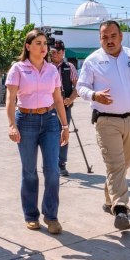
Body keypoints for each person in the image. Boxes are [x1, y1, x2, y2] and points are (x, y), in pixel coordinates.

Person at [77, 20, 130, 231]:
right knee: (115, 164)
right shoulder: (92, 61)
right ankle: (121, 209)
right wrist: (94, 95)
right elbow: (81, 87)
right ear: (100, 39)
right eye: (104, 37)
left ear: (121, 36)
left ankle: (110, 199)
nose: (109, 40)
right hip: (106, 121)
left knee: (123, 164)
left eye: (113, 36)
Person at [6, 29, 70, 235]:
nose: (44, 47)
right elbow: (10, 99)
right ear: (28, 46)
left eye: (45, 43)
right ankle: (31, 215)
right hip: (25, 121)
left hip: (50, 121)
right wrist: (11, 125)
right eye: (38, 43)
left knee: (52, 170)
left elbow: (59, 99)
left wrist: (65, 126)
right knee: (30, 171)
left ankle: (51, 216)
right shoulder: (18, 69)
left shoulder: (52, 70)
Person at [49, 40, 78, 176]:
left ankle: (61, 163)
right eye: (53, 52)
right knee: (49, 134)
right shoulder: (46, 66)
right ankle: (50, 162)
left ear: (63, 53)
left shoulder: (69, 67)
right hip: (48, 107)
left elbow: (78, 86)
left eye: (57, 52)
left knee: (64, 133)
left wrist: (71, 98)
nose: (54, 54)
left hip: (65, 107)